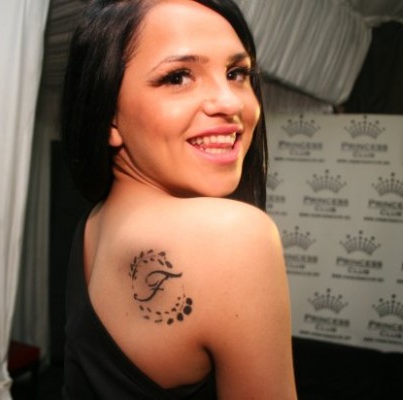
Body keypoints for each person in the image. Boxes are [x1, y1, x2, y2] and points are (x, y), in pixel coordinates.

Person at [60, 0, 297, 398]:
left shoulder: (96, 222)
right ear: (108, 116)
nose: (231, 102)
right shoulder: (234, 236)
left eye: (237, 73)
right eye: (177, 77)